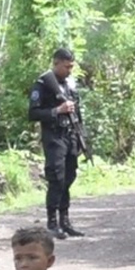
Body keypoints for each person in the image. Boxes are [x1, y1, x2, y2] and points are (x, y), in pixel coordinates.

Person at [27, 47, 87, 239]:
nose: (69, 70)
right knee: (57, 178)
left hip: (70, 135)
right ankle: (52, 222)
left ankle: (65, 220)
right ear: (56, 63)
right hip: (54, 136)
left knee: (69, 177)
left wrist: (81, 137)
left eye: (71, 67)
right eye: (66, 66)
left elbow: (77, 112)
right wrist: (57, 110)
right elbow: (33, 113)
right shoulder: (43, 84)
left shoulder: (70, 84)